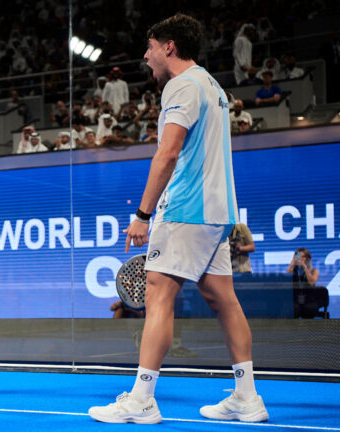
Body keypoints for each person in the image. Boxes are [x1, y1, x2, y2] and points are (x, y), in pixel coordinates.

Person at [89, 14, 268, 424]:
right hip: (218, 212)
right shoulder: (212, 86)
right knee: (223, 299)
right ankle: (247, 397)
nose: (146, 55)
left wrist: (142, 214)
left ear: (169, 46)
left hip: (186, 208)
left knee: (158, 296)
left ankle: (141, 400)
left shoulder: (181, 85)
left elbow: (168, 153)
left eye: (150, 47)